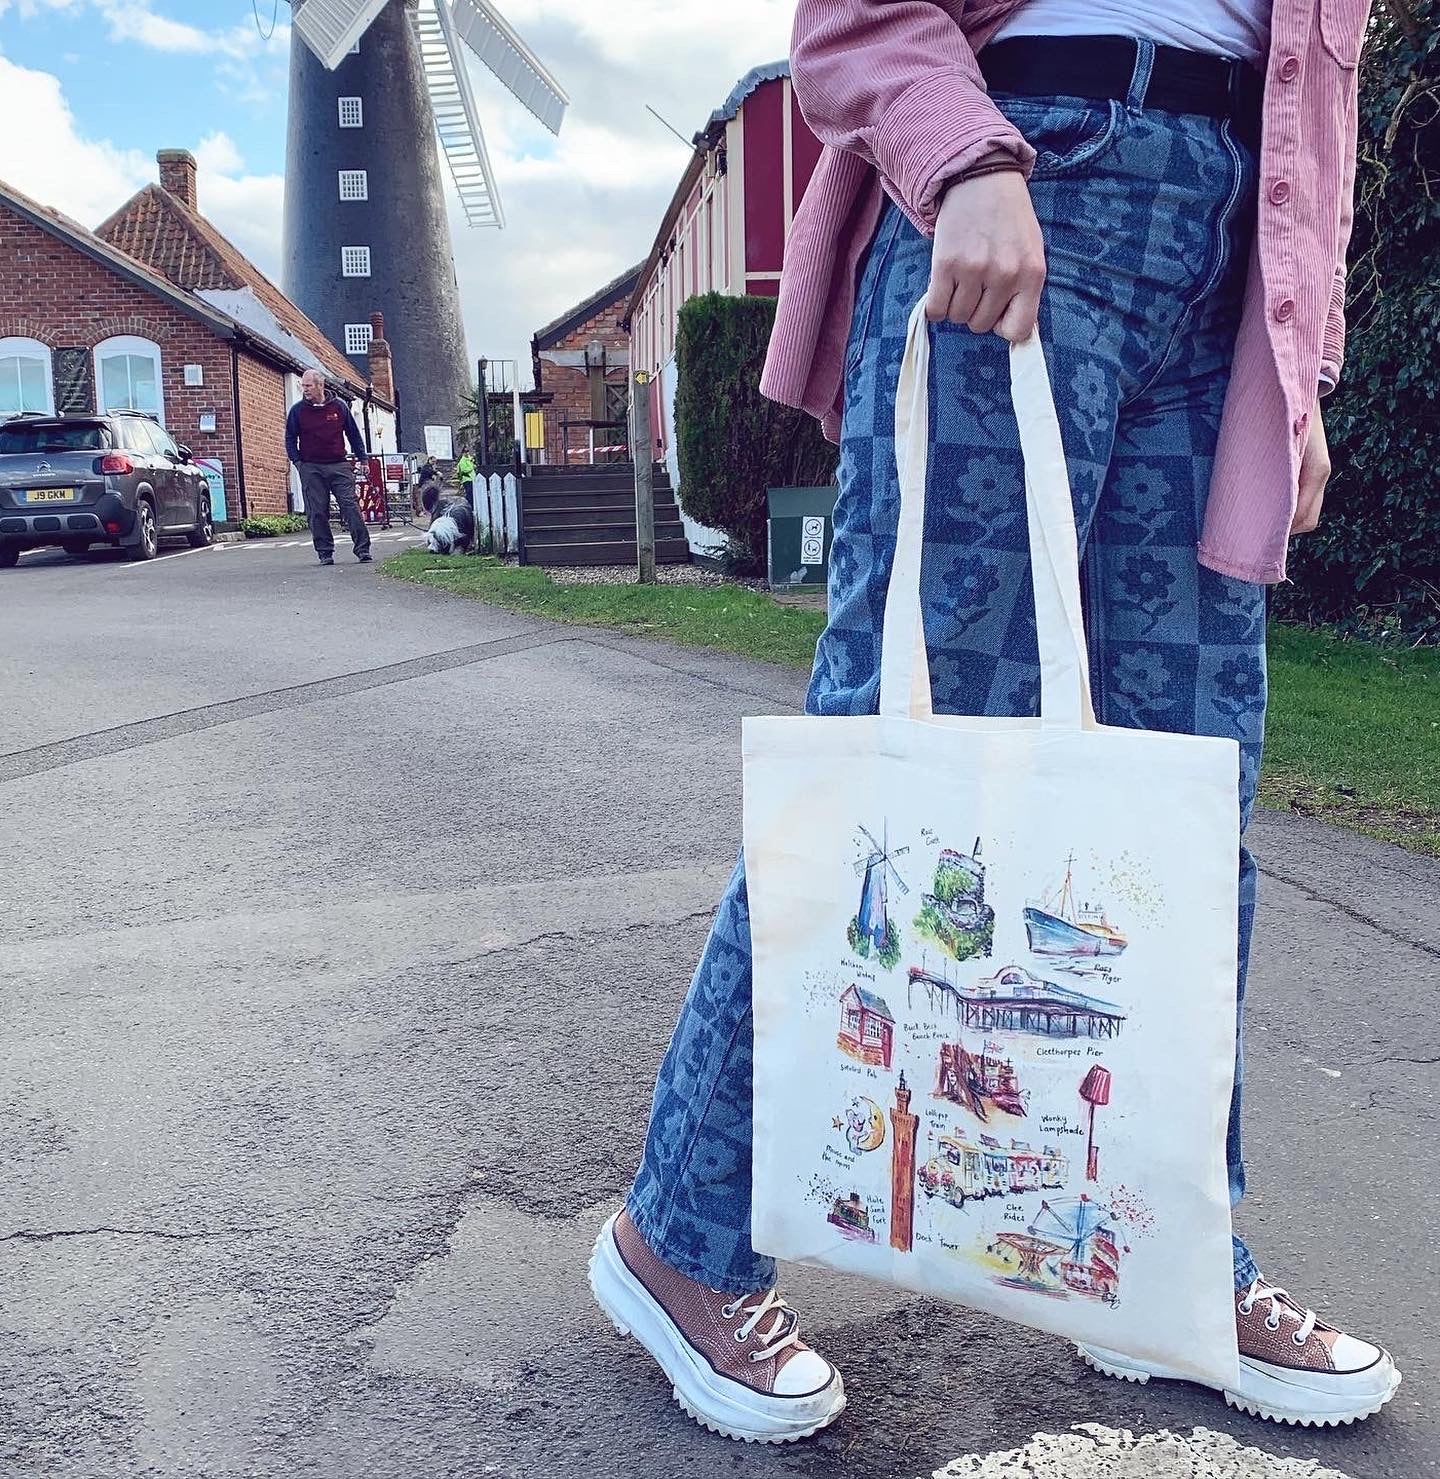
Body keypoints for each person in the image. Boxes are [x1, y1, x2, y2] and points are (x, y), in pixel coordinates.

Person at [589, 0, 1400, 1445]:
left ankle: (1159, 1268)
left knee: (1192, 793)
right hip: (1024, 173)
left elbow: (1314, 97)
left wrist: (1306, 358)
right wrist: (962, 156)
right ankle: (684, 1239)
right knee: (894, 767)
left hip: (1232, 249)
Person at [285, 369, 372, 565]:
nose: (305, 390)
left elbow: (353, 434)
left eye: (308, 386)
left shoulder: (339, 407)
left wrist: (363, 459)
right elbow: (290, 438)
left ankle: (363, 549)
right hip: (311, 467)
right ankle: (325, 552)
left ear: (320, 385)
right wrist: (297, 462)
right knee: (317, 511)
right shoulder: (298, 411)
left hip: (339, 465)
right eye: (303, 386)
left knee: (350, 506)